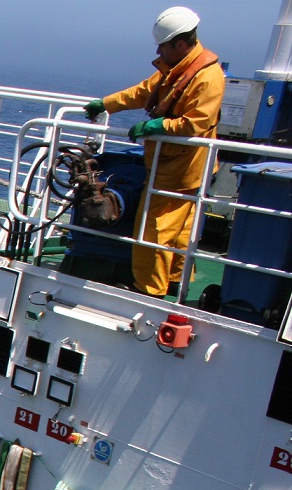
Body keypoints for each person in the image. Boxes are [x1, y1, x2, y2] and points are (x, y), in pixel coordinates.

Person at [83, 6, 224, 298]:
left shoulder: (207, 78)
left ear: (181, 44)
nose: (158, 50)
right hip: (182, 165)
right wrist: (106, 103)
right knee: (181, 230)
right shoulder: (179, 70)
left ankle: (149, 288)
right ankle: (174, 279)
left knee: (154, 227)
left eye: (163, 44)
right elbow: (142, 92)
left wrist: (156, 126)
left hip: (180, 168)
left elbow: (197, 122)